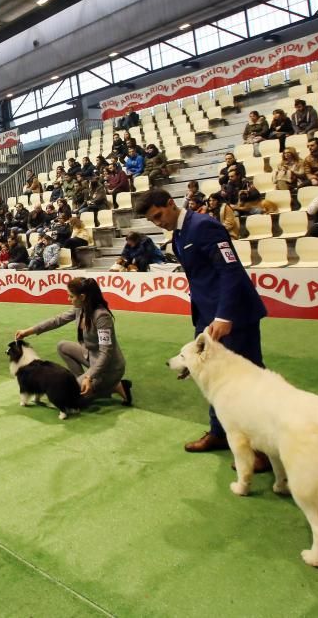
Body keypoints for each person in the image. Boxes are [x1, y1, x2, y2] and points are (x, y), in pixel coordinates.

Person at [135, 188, 270, 471]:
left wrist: (224, 315)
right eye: (152, 220)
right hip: (208, 317)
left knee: (247, 383)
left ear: (171, 204)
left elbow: (230, 271)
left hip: (234, 316)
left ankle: (262, 449)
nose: (158, 222)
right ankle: (219, 433)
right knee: (213, 378)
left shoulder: (204, 225)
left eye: (159, 215)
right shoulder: (179, 234)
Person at [15, 277, 131, 406]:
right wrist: (28, 331)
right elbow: (57, 320)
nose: (68, 299)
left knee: (71, 398)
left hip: (109, 368)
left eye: (71, 296)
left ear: (82, 297)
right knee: (63, 346)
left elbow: (106, 353)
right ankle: (83, 384)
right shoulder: (80, 308)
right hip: (91, 356)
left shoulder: (102, 317)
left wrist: (89, 377)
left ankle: (114, 385)